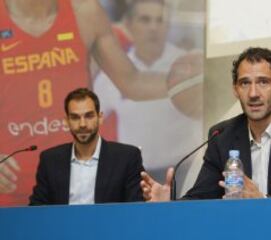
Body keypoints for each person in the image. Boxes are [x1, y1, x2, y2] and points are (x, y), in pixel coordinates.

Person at [0, 0, 175, 205]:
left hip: (77, 184)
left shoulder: (85, 12)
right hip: (9, 187)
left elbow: (132, 82)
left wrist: (193, 79)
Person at [141, 47, 271, 201]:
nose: (253, 94)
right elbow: (201, 199)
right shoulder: (222, 135)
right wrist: (170, 206)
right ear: (235, 89)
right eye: (245, 83)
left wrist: (262, 200)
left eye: (263, 82)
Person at [94, 0, 202, 181]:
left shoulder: (188, 67)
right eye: (145, 20)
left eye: (160, 20)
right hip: (135, 174)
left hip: (184, 170)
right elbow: (92, 120)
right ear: (128, 25)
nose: (153, 27)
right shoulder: (114, 74)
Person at [29, 88, 144, 205]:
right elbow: (36, 210)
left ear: (100, 118)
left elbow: (135, 209)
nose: (82, 124)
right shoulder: (50, 160)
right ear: (66, 121)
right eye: (75, 117)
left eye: (89, 116)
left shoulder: (127, 157)